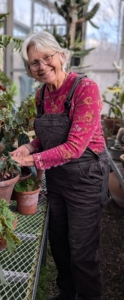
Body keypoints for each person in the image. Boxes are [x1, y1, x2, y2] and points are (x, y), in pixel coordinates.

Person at [10, 31, 110, 300]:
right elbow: (47, 137)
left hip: (86, 176)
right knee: (60, 243)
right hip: (57, 178)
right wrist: (29, 146)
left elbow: (75, 146)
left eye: (46, 58)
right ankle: (67, 294)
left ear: (61, 56)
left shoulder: (84, 88)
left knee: (81, 249)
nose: (42, 66)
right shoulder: (41, 96)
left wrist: (32, 160)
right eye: (34, 62)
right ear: (30, 69)